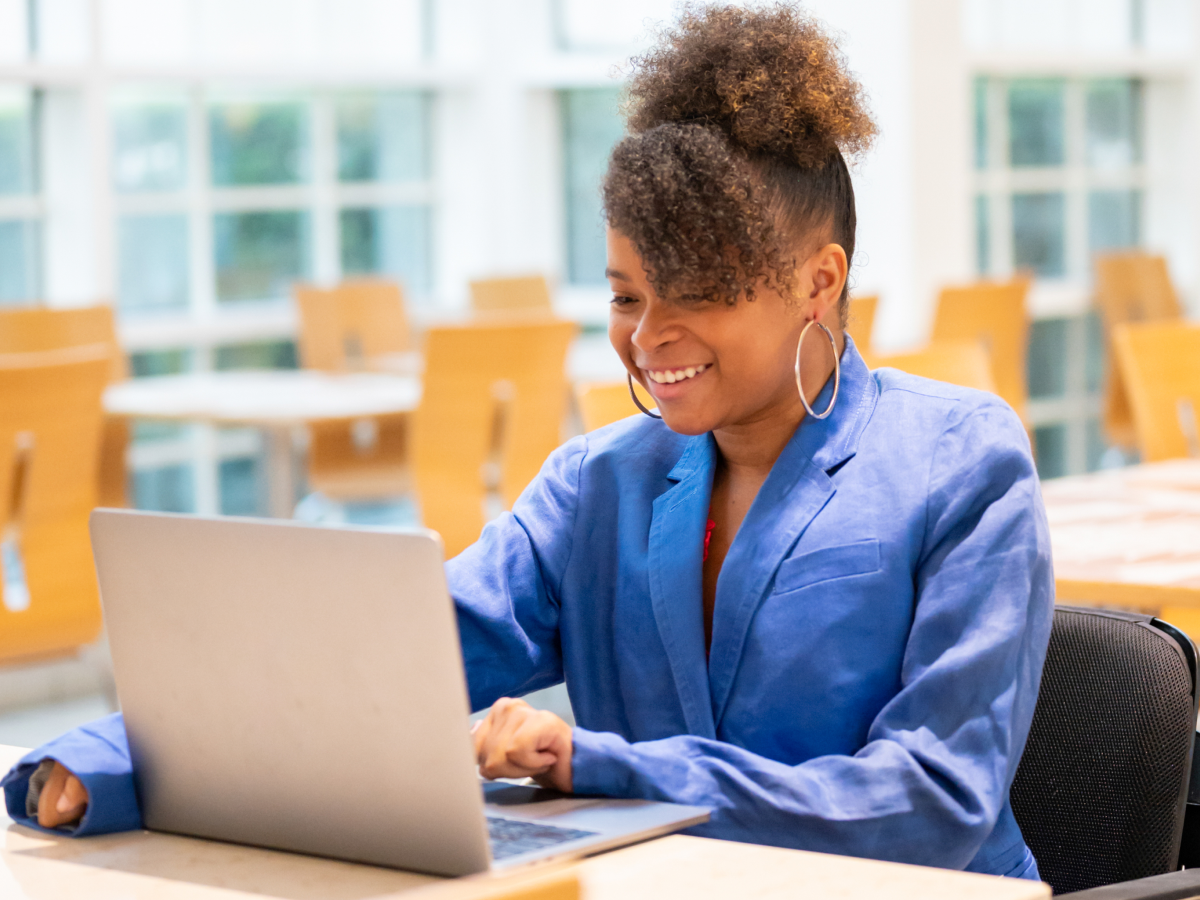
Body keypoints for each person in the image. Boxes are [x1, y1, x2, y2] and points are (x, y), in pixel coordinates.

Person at [3, 3, 1053, 880]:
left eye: (698, 297)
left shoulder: (960, 464)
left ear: (819, 281)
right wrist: (106, 758)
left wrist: (606, 767)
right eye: (628, 295)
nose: (650, 338)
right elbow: (368, 666)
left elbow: (932, 800)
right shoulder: (598, 486)